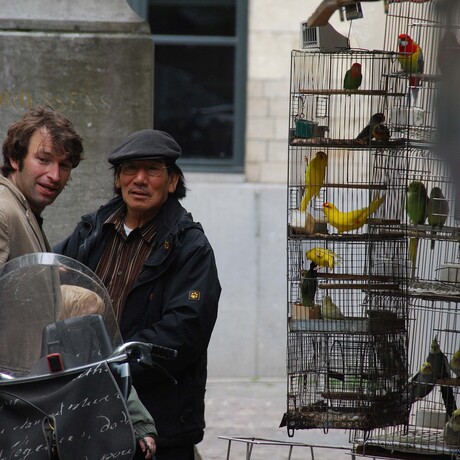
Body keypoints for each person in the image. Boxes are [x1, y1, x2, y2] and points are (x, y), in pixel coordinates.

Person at [54, 128, 221, 460]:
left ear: (172, 181)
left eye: (152, 170)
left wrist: (113, 363)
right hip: (88, 416)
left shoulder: (190, 247)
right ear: (118, 179)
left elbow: (183, 332)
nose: (139, 179)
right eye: (130, 169)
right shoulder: (91, 231)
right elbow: (50, 283)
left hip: (160, 425)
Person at [0, 107, 157, 458]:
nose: (55, 175)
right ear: (14, 158)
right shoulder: (4, 211)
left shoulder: (23, 212)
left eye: (65, 165)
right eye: (43, 160)